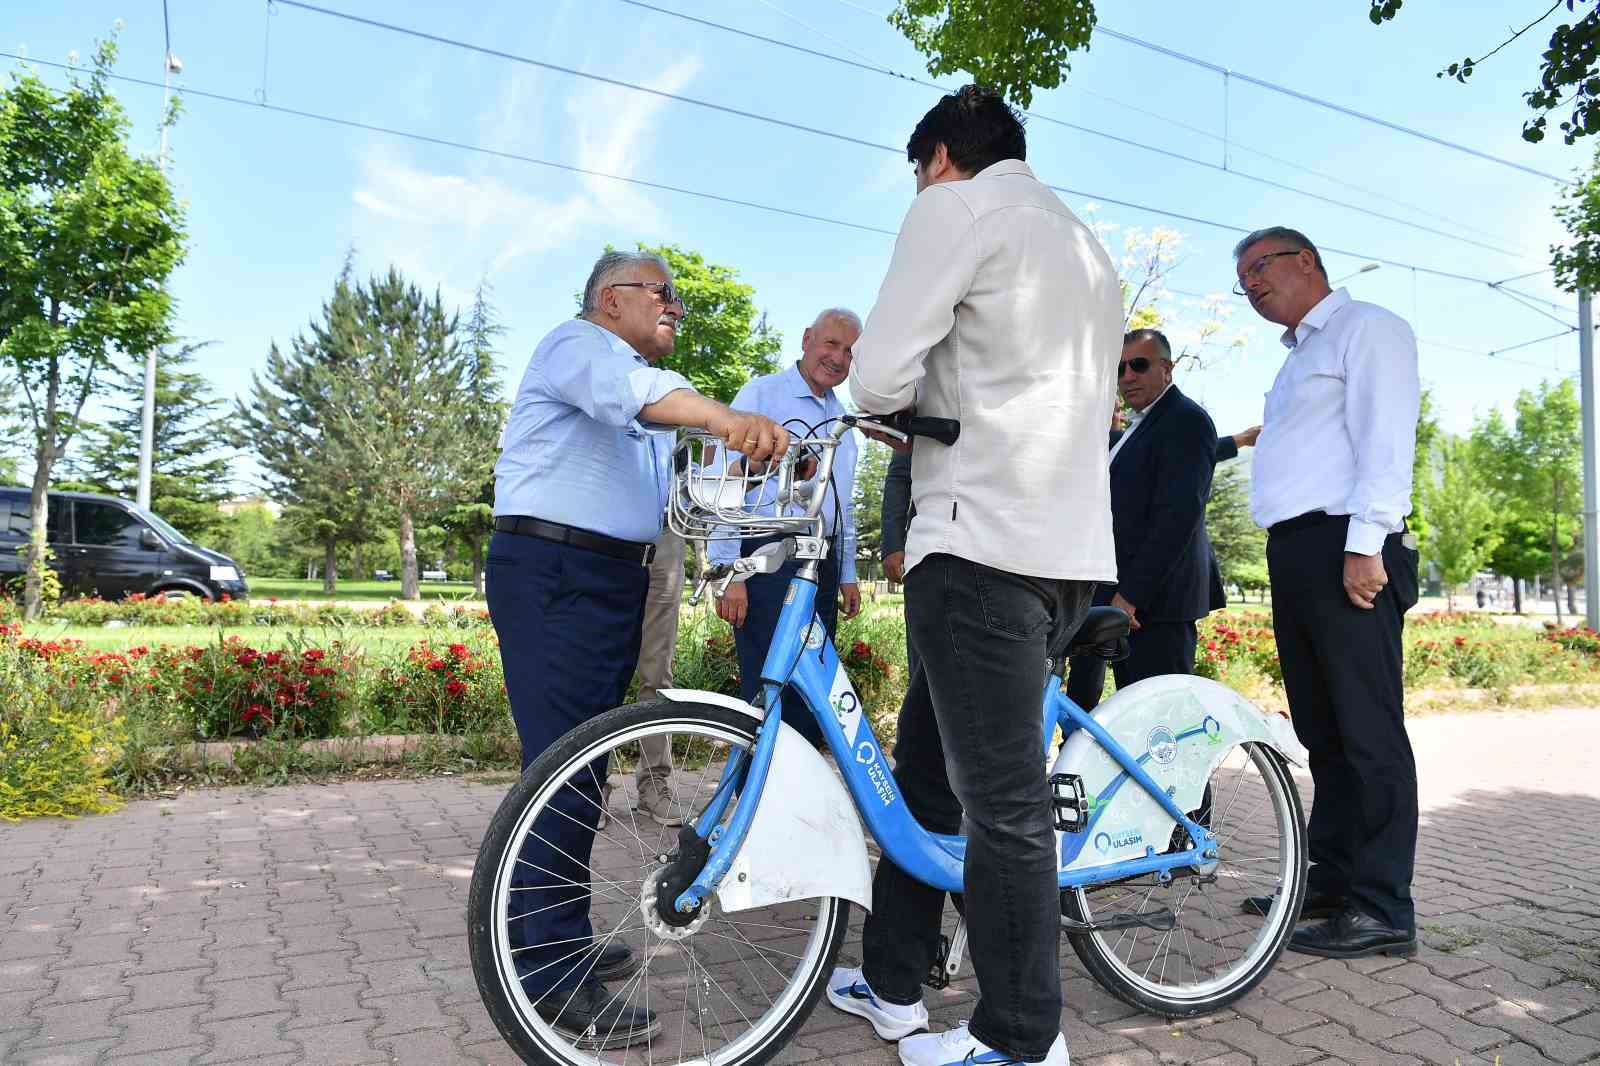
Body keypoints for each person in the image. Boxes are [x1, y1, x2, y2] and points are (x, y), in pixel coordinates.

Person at [829, 84, 1120, 1066]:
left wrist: (893, 399)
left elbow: (875, 379)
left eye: (918, 172)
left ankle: (1020, 1038)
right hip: (1064, 552)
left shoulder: (954, 206)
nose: (918, 188)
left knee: (1001, 804)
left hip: (980, 537)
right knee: (926, 772)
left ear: (941, 157)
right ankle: (896, 979)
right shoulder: (1086, 246)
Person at [487, 249, 789, 1046]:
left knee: (581, 772)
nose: (675, 311)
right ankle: (548, 977)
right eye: (664, 295)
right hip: (559, 571)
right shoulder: (581, 346)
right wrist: (725, 416)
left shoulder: (639, 391)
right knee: (560, 772)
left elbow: (671, 486)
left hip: (604, 578)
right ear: (611, 297)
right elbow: (644, 396)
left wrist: (722, 462)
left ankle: (556, 938)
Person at [1231, 226, 1421, 958]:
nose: (1250, 285)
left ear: (1305, 261)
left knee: (1368, 732)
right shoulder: (1297, 358)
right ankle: (1332, 880)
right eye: (1241, 278)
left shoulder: (1366, 328)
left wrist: (1366, 543)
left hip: (1348, 545)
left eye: (1259, 268)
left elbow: (1384, 439)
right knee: (1324, 732)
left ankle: (1383, 908)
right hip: (1299, 551)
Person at [711, 309, 864, 747]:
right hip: (764, 557)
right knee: (766, 680)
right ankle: (755, 800)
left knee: (812, 680)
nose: (837, 357)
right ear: (806, 338)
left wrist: (848, 573)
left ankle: (797, 796)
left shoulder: (843, 424)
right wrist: (730, 571)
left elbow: (843, 506)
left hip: (822, 562)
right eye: (831, 344)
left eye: (849, 351)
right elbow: (725, 481)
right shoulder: (761, 396)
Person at [1063, 329, 1226, 711]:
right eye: (1119, 368)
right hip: (1124, 600)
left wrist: (1129, 597)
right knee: (1134, 723)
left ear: (1166, 369)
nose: (1127, 376)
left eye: (1139, 364)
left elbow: (1177, 517)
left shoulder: (1186, 420)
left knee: (1161, 727)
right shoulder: (1138, 426)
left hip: (1155, 606)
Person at [597, 528, 686, 830]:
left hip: (666, 532)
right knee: (602, 672)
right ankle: (593, 785)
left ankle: (653, 783)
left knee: (658, 673)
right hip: (608, 528)